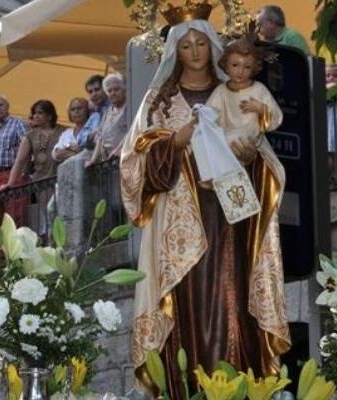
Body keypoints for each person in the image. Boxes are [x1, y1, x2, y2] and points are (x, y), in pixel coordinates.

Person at [120, 6, 289, 398]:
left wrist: (249, 155)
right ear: (173, 52)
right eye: (185, 45)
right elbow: (132, 162)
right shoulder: (159, 101)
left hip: (229, 215)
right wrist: (177, 140)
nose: (195, 52)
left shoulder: (234, 89)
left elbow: (261, 150)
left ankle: (237, 387)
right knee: (188, 302)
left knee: (230, 297)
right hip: (178, 221)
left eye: (201, 43)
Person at [2, 99, 64, 189]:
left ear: (50, 116)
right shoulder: (30, 135)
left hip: (61, 179)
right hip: (41, 183)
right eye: (34, 113)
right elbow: (20, 161)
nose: (35, 116)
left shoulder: (64, 131)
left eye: (40, 113)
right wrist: (10, 183)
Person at [87, 73, 129, 166]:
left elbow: (131, 132)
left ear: (124, 89)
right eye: (109, 91)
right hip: (108, 162)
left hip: (123, 159)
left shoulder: (129, 108)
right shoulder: (107, 111)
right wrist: (93, 160)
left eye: (116, 89)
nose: (113, 93)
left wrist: (118, 151)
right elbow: (100, 137)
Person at [52, 97, 92, 164]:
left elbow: (91, 154)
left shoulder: (93, 129)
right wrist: (72, 149)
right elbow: (56, 154)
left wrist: (67, 150)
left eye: (80, 108)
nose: (76, 111)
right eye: (73, 109)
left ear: (87, 110)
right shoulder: (67, 133)